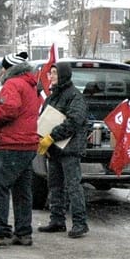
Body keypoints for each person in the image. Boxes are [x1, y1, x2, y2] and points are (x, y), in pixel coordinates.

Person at [0, 53, 42, 249]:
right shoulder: (30, 85)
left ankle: (0, 233)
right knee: (22, 190)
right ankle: (23, 233)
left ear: (8, 68)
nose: (1, 71)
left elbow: (9, 109)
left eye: (3, 67)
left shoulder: (13, 84)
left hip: (12, 144)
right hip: (27, 144)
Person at [37, 61, 90, 238]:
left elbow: (74, 121)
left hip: (70, 149)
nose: (51, 76)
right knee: (55, 185)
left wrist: (52, 136)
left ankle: (80, 223)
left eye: (55, 73)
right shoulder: (52, 96)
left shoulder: (75, 97)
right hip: (54, 149)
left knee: (73, 186)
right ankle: (57, 220)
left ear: (63, 75)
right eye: (50, 73)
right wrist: (43, 138)